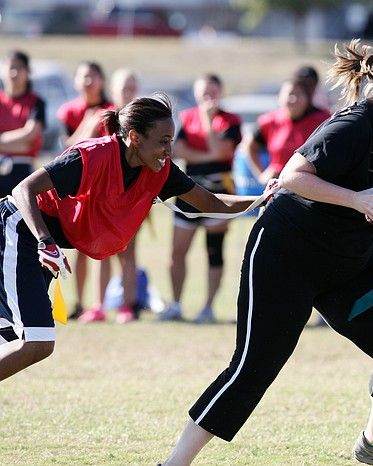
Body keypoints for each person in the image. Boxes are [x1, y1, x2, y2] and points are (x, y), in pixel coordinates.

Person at [159, 38, 373, 466]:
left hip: (347, 264)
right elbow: (293, 176)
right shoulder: (351, 126)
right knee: (253, 368)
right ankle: (174, 463)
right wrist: (356, 201)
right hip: (286, 256)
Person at [0, 93, 274, 382]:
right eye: (163, 140)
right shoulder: (92, 155)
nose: (169, 149)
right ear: (135, 137)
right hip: (19, 231)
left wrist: (263, 199)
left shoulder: (159, 170)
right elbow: (23, 190)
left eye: (171, 140)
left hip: (38, 245)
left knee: (13, 340)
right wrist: (46, 242)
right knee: (37, 342)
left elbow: (210, 202)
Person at [158, 74, 242, 324]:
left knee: (214, 251)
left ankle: (208, 307)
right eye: (203, 91)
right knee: (177, 252)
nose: (208, 96)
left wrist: (208, 120)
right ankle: (175, 304)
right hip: (188, 190)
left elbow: (222, 151)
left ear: (221, 91)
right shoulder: (185, 118)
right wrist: (207, 153)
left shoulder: (230, 120)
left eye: (212, 91)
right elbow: (177, 151)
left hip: (219, 191)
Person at [81, 68, 142, 323]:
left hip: (131, 197)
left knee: (128, 251)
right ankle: (98, 305)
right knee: (100, 250)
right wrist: (90, 120)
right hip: (101, 196)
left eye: (131, 86)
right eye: (122, 87)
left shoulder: (142, 118)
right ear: (113, 89)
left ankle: (128, 305)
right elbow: (80, 147)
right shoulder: (103, 116)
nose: (126, 91)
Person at [56, 61, 115, 321]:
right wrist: (90, 125)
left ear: (102, 80)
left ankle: (99, 305)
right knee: (78, 246)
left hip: (106, 187)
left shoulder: (114, 111)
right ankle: (79, 303)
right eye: (83, 77)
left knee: (102, 246)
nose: (88, 81)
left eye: (93, 76)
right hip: (79, 189)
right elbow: (69, 147)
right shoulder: (69, 111)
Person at [241, 70, 331, 186]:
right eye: (290, 94)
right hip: (278, 184)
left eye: (299, 94)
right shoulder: (269, 120)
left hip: (311, 183)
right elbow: (249, 145)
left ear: (307, 99)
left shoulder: (323, 119)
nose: (293, 99)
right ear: (279, 97)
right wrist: (261, 175)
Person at [0, 50, 45, 196]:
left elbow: (29, 136)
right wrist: (18, 143)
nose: (14, 73)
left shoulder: (36, 102)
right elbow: (23, 143)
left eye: (19, 68)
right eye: (10, 68)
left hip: (22, 169)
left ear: (28, 72)